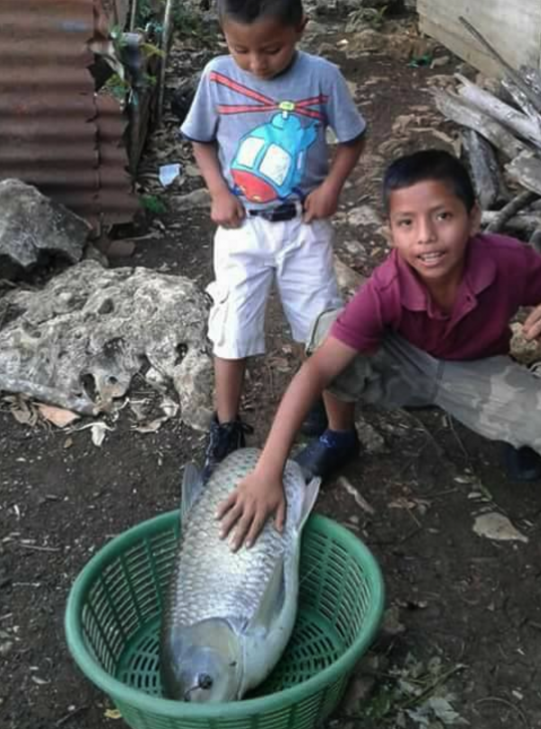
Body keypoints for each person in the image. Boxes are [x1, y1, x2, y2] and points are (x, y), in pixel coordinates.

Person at [216, 149, 541, 550]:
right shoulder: (386, 287)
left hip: (477, 367)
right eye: (407, 223)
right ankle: (339, 435)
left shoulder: (505, 260)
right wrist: (267, 471)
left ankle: (517, 428)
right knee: (326, 338)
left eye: (442, 216)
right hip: (406, 363)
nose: (426, 236)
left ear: (473, 218)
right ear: (391, 232)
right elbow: (317, 368)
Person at [180, 0, 367, 476]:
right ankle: (226, 426)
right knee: (231, 323)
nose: (256, 63)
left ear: (301, 29)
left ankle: (339, 431)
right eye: (240, 49)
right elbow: (201, 140)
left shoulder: (322, 77)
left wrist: (331, 186)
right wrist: (218, 191)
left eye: (271, 49)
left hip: (304, 228)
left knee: (321, 326)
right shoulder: (217, 76)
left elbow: (353, 139)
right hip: (240, 229)